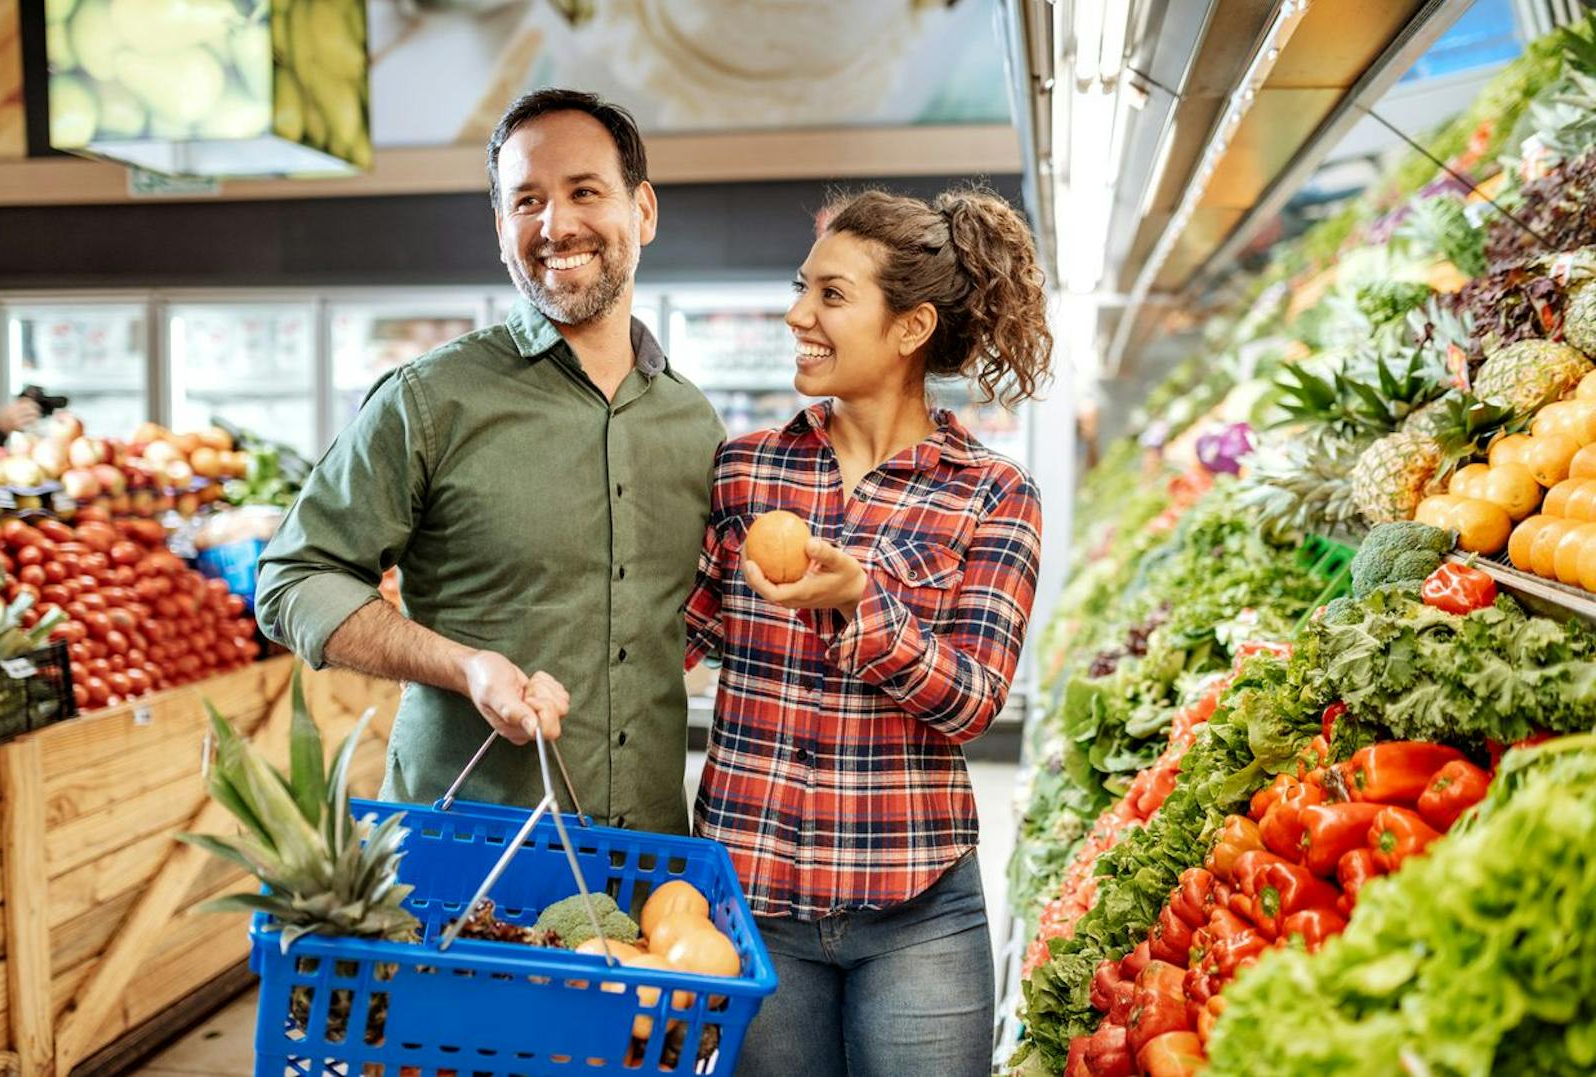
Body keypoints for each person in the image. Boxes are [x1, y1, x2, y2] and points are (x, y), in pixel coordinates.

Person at [257, 89, 725, 833]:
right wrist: (462, 665)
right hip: (465, 849)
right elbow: (292, 579)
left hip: (648, 856)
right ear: (501, 228)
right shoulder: (430, 400)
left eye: (584, 192)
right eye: (527, 200)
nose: (556, 224)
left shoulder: (693, 424)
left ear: (643, 212)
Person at [684, 186, 1051, 1076]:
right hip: (751, 900)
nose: (797, 313)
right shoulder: (744, 470)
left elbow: (970, 700)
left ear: (911, 326)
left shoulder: (992, 494)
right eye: (801, 287)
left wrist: (861, 605)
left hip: (916, 910)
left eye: (831, 295)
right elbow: (675, 637)